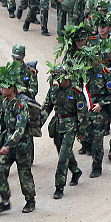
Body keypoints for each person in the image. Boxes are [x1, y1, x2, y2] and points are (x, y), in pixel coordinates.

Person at [0, 67, 37, 213]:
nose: (0, 89)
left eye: (3, 87)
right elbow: (1, 123)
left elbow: (20, 129)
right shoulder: (5, 103)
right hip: (7, 141)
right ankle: (5, 201)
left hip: (21, 144)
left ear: (11, 89)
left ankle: (30, 201)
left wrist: (9, 145)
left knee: (24, 173)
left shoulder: (21, 104)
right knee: (0, 171)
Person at [41, 65, 84, 199]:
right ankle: (76, 171)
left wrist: (82, 131)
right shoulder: (54, 90)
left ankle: (59, 187)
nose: (57, 81)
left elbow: (82, 112)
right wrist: (37, 124)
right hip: (58, 125)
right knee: (63, 151)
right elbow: (46, 107)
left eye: (59, 77)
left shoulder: (75, 91)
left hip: (71, 125)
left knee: (63, 157)